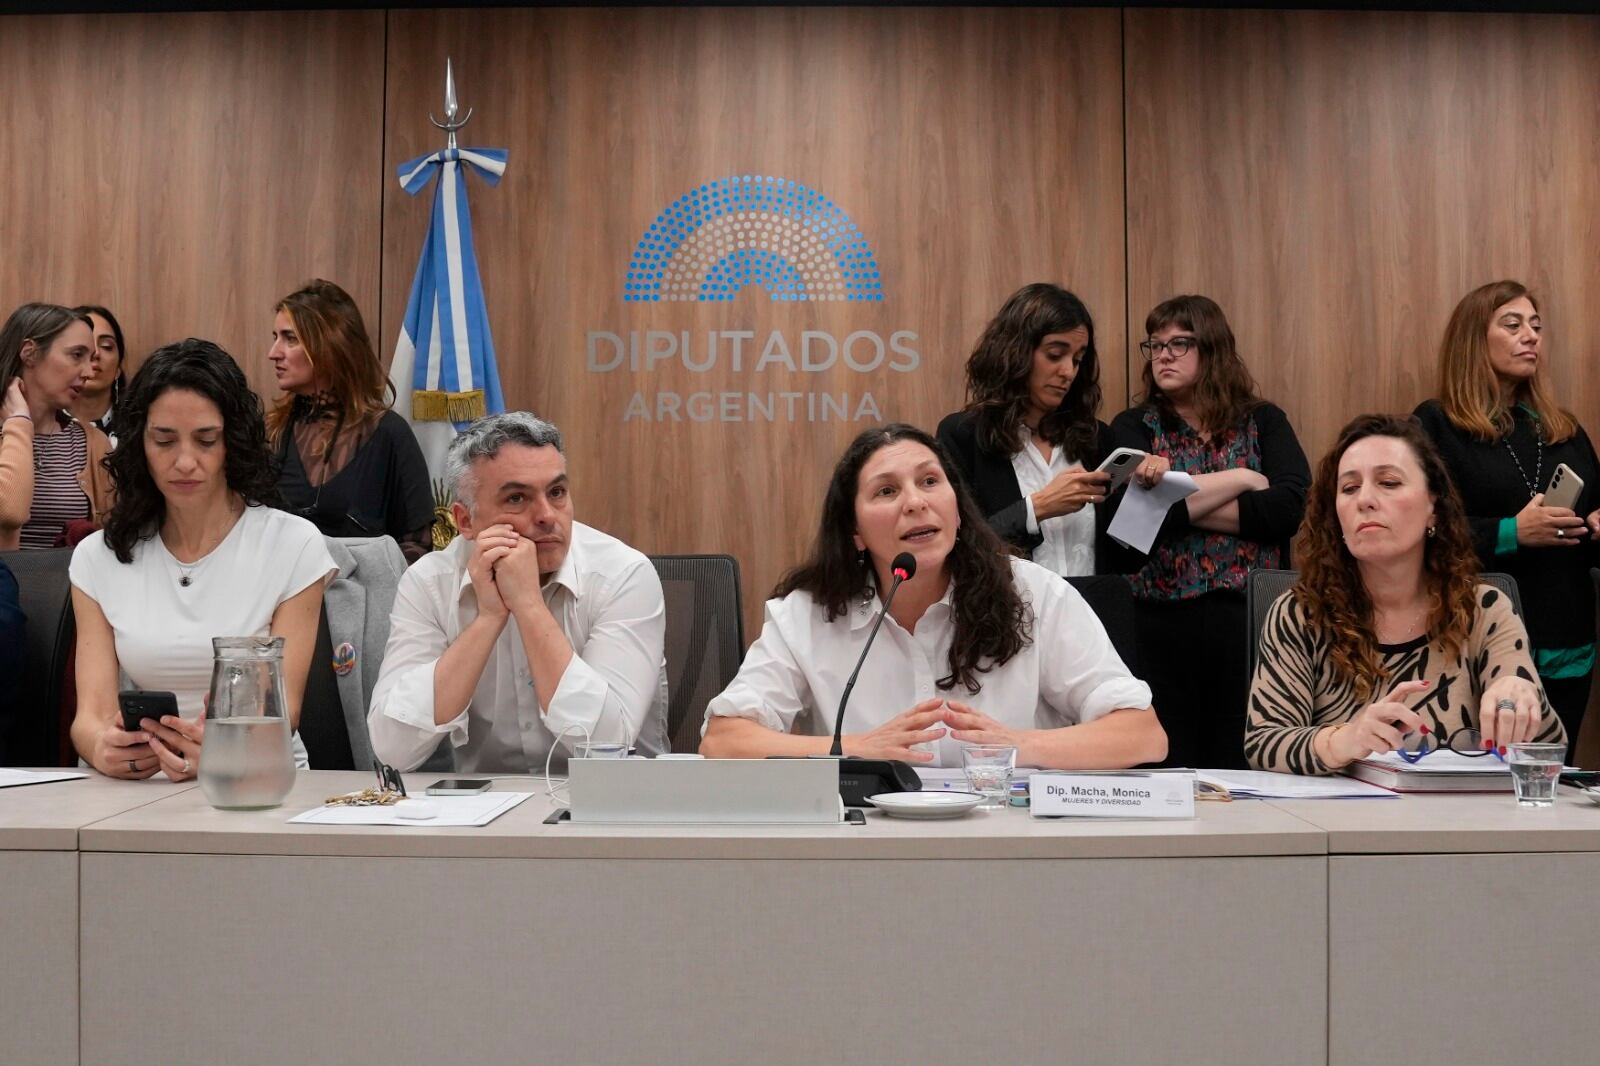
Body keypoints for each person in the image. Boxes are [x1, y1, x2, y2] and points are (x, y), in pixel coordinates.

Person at [699, 424, 1165, 768]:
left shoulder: (1034, 594)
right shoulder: (808, 614)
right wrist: (860, 750)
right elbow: (723, 740)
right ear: (856, 533)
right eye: (886, 491)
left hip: (1010, 847)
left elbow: (1142, 734)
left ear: (957, 509)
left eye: (929, 481)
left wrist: (1018, 745)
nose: (915, 502)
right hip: (866, 856)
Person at [69, 339, 335, 780]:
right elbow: (89, 716)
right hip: (140, 786)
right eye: (164, 440)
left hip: (256, 778)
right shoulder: (98, 558)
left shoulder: (292, 544)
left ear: (232, 442)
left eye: (206, 440)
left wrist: (223, 751)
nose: (185, 461)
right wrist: (103, 747)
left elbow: (284, 712)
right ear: (139, 444)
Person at [1247, 414, 1564, 774]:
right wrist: (1347, 739)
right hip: (1340, 825)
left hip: (1464, 822)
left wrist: (1521, 695)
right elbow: (1264, 743)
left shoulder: (1483, 609)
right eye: (1349, 488)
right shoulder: (1300, 613)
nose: (1364, 499)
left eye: (1389, 482)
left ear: (1433, 507)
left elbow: (1548, 751)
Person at [368, 412, 669, 772]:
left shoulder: (622, 575)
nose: (546, 516)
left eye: (556, 493)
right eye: (516, 499)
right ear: (465, 521)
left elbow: (606, 743)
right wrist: (489, 618)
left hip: (615, 806)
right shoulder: (429, 582)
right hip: (484, 811)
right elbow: (393, 750)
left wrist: (528, 605)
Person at [1106, 295, 1309, 769]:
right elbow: (1130, 526)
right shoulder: (1134, 426)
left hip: (1250, 622)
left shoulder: (1263, 421)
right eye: (1155, 345)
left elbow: (1285, 511)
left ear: (1212, 349)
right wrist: (1240, 478)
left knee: (1240, 763)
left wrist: (1170, 501)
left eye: (1180, 343)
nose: (1164, 355)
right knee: (1167, 764)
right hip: (1157, 621)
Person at [1414, 280, 1600, 753]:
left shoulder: (1564, 429)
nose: (1531, 336)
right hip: (1475, 636)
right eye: (1513, 324)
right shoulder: (1437, 424)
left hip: (1566, 636)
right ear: (1475, 338)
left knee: (1551, 782)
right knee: (1477, 787)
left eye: (1536, 326)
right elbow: (1423, 532)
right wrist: (1513, 532)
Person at [935, 284, 1115, 576]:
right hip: (1011, 615)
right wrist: (1037, 508)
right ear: (1015, 352)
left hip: (1089, 615)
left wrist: (1149, 501)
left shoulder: (1096, 438)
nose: (1068, 371)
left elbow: (1126, 556)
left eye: (1077, 359)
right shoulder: (963, 435)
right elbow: (955, 546)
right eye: (1055, 354)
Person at [267, 279, 434, 561]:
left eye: (290, 338)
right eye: (276, 337)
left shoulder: (389, 434)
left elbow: (418, 550)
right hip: (283, 600)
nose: (274, 353)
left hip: (368, 602)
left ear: (330, 345)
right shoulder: (273, 433)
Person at [0, 303, 114, 550]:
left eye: (91, 358)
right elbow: (10, 512)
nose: (88, 371)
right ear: (29, 353)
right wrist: (19, 421)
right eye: (76, 355)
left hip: (67, 588)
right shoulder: (10, 430)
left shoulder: (94, 443)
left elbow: (112, 537)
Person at [68, 305, 127, 441]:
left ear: (118, 369)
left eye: (106, 346)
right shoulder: (38, 426)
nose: (95, 353)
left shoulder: (137, 429)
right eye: (81, 345)